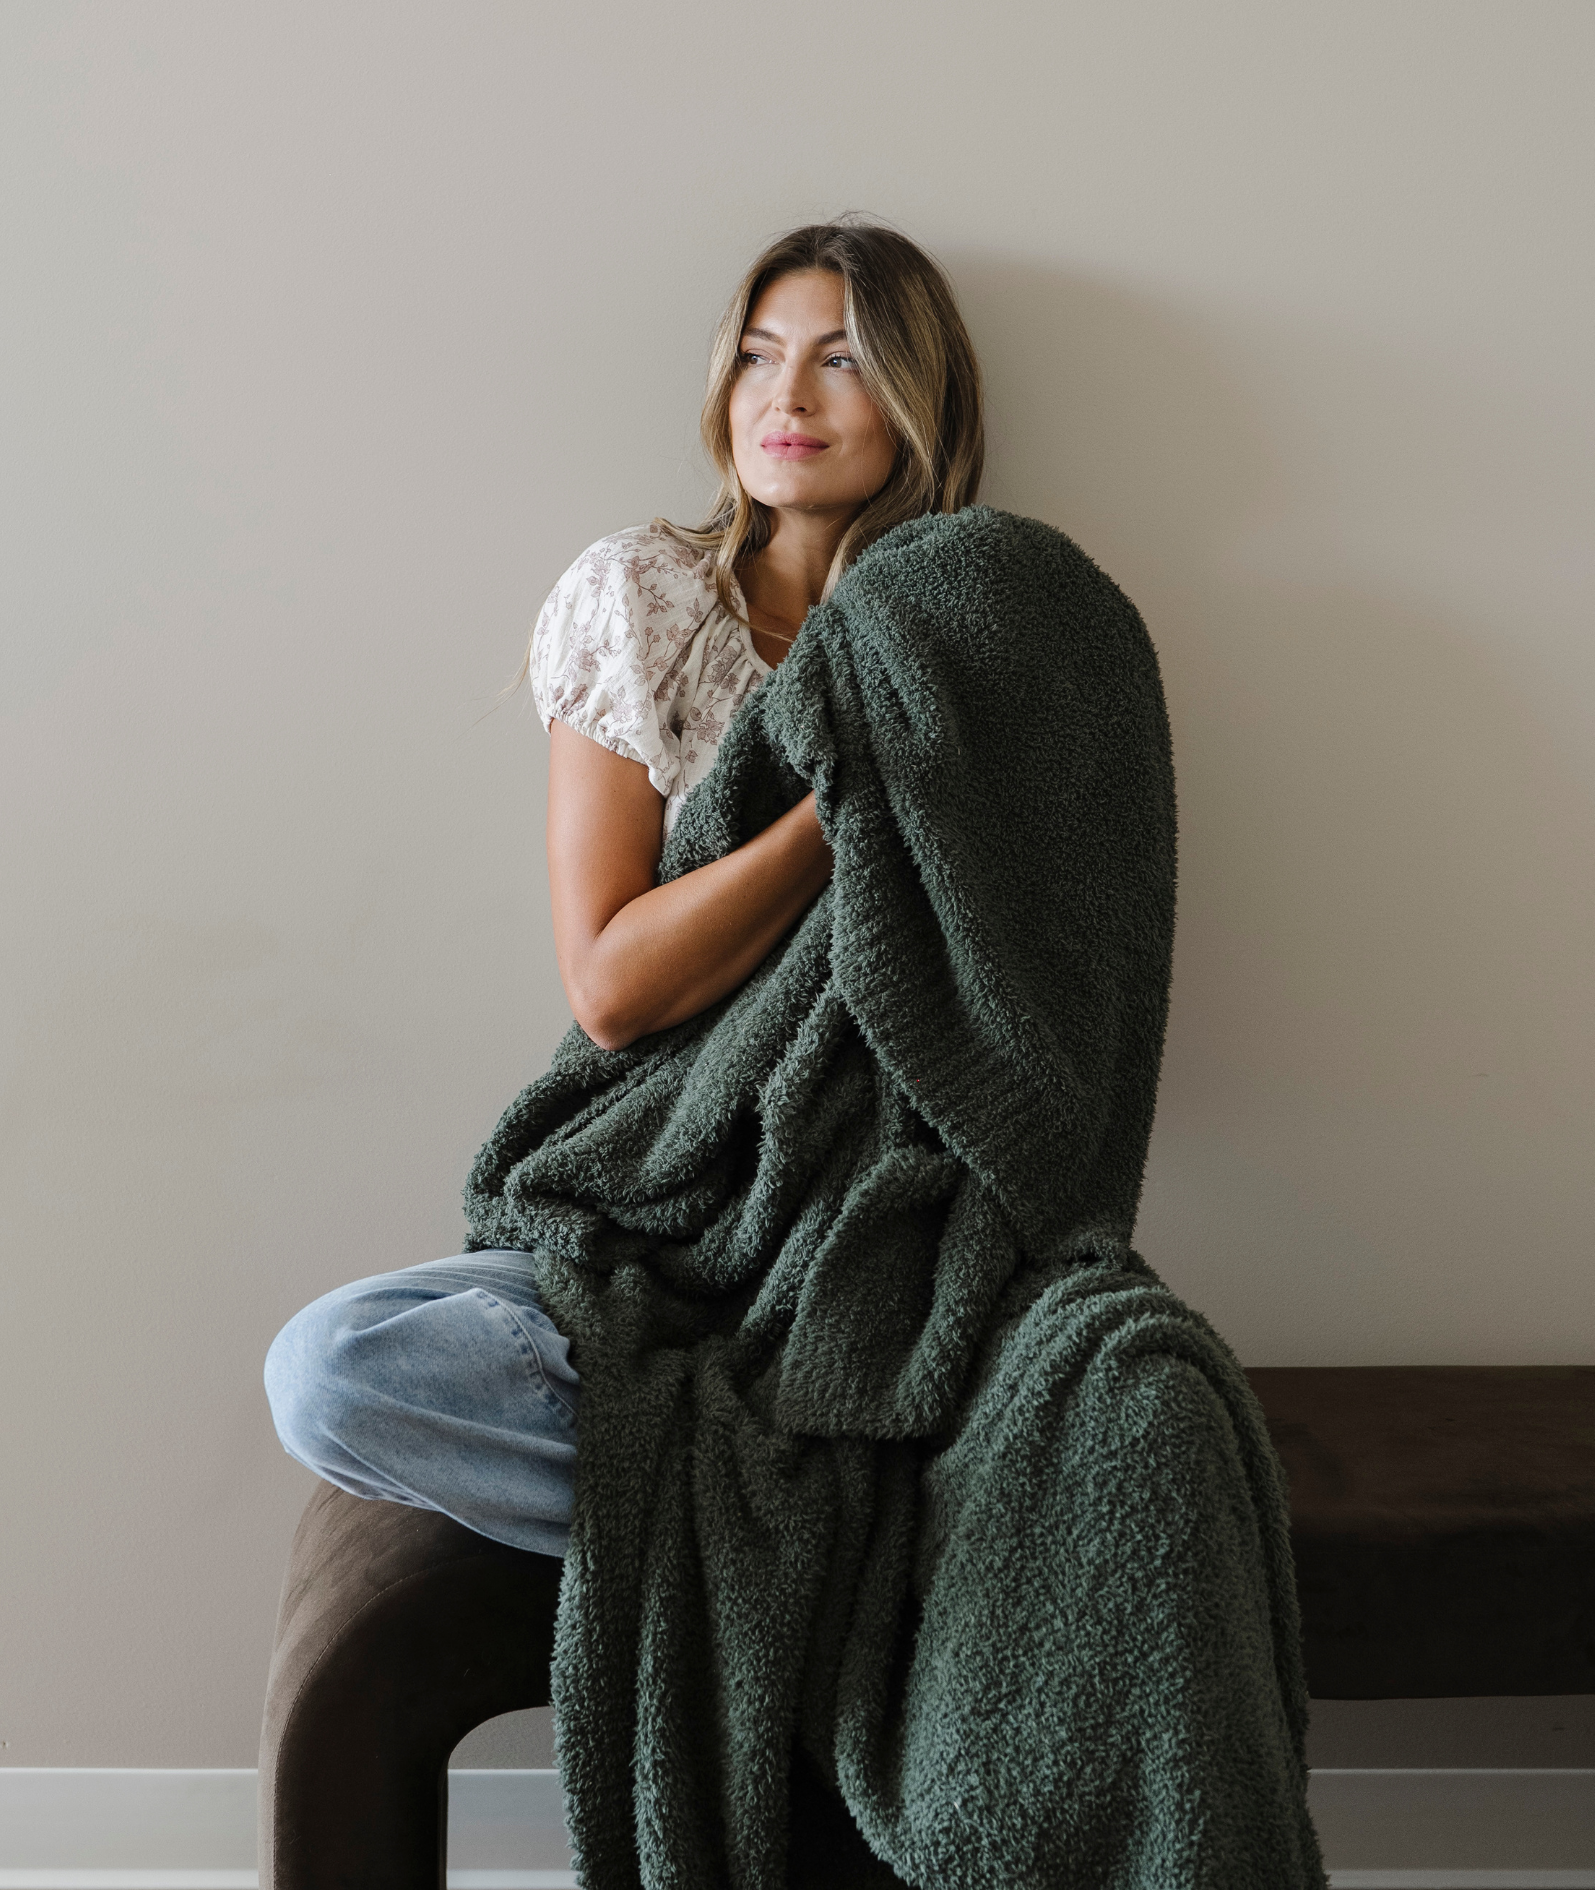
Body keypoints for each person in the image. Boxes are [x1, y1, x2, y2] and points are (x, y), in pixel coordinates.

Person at [263, 219, 985, 1561]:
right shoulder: (646, 599)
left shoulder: (970, 630)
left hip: (872, 1221)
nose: (786, 395)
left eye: (841, 360)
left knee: (1106, 1402)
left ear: (917, 398)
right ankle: (810, 1544)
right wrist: (837, 813)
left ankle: (794, 1522)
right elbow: (608, 986)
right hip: (649, 1199)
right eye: (758, 356)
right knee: (333, 1367)